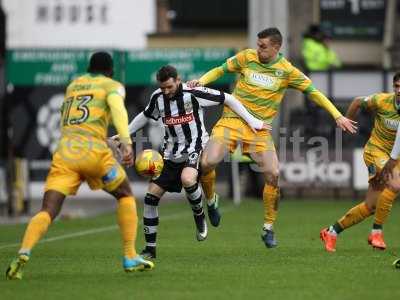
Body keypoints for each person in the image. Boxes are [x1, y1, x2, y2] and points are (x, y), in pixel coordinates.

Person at [187, 27, 357, 248]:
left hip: (259, 129)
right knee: (207, 162)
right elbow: (220, 70)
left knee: (273, 173)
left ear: (277, 47)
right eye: (258, 45)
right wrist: (201, 81)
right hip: (232, 120)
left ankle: (268, 228)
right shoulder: (246, 57)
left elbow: (314, 92)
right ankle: (211, 200)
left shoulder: (287, 71)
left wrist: (337, 115)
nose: (258, 50)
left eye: (263, 46)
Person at [6, 52, 154, 280]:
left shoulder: (73, 85)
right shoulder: (111, 84)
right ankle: (129, 255)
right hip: (93, 154)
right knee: (124, 194)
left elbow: (77, 123)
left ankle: (24, 252)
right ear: (110, 70)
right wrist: (125, 142)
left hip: (65, 154)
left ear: (89, 68)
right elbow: (117, 109)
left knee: (48, 210)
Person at [122, 65, 269, 259]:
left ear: (178, 80)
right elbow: (145, 116)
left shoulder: (193, 93)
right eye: (163, 87)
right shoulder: (158, 97)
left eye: (169, 87)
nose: (166, 91)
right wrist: (124, 134)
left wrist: (254, 122)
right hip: (170, 154)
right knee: (150, 198)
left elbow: (229, 99)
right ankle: (150, 249)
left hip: (196, 147)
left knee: (188, 179)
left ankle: (200, 218)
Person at [320, 72, 400, 252]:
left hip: (396, 157)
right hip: (376, 151)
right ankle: (376, 232)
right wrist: (347, 122)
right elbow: (357, 102)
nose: (399, 90)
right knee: (395, 184)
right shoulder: (381, 100)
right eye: (397, 86)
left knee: (371, 206)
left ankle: (331, 232)